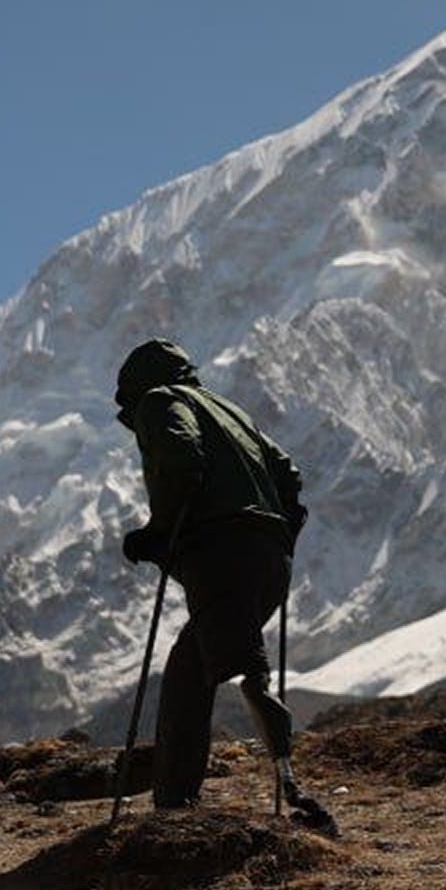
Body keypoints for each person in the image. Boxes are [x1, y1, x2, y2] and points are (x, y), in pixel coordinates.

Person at [114, 338, 331, 829]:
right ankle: (183, 797)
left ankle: (276, 787)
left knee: (225, 671)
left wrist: (159, 532)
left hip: (222, 552)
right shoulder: (231, 411)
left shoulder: (160, 401)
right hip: (270, 557)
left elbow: (183, 458)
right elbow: (289, 478)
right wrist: (281, 535)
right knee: (202, 662)